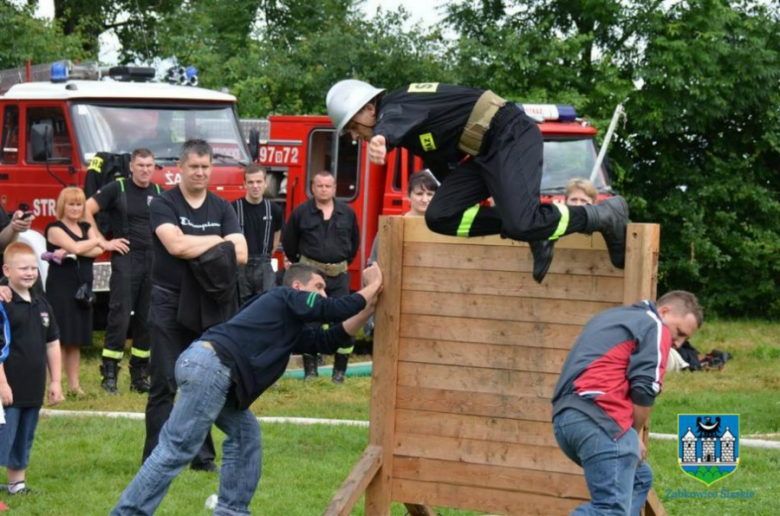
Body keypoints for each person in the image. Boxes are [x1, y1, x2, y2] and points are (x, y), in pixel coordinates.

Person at [111, 262, 382, 515]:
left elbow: (326, 340)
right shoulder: (285, 297)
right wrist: (373, 284)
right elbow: (332, 309)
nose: (323, 295)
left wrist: (368, 309)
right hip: (212, 367)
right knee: (176, 450)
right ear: (298, 287)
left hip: (214, 371)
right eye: (319, 288)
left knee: (245, 435)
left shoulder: (287, 324)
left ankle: (232, 511)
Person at [326, 80, 629, 283]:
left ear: (368, 109)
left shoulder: (398, 104)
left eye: (353, 127)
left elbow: (389, 121)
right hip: (482, 156)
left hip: (510, 134)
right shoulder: (411, 132)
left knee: (523, 220)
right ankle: (532, 230)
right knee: (439, 215)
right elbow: (444, 167)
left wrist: (381, 137)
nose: (355, 136)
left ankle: (601, 215)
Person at [143, 139, 248, 473]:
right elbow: (174, 245)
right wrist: (219, 242)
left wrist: (200, 244)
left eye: (205, 166)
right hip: (167, 301)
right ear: (180, 168)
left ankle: (202, 459)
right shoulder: (164, 203)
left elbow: (242, 254)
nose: (200, 172)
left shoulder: (221, 207)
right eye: (194, 167)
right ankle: (155, 459)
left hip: (208, 303)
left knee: (203, 380)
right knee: (163, 382)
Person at [551, 290, 703, 515]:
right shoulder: (655, 326)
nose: (678, 344)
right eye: (679, 332)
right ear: (664, 311)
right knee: (610, 509)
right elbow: (644, 388)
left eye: (684, 340)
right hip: (599, 419)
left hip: (566, 421)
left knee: (640, 479)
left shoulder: (611, 317)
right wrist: (631, 434)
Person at [85, 148, 163, 395]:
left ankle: (139, 375)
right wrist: (103, 242)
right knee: (119, 317)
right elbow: (86, 209)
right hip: (126, 260)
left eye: (149, 165)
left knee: (146, 318)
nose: (145, 170)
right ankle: (109, 374)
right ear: (131, 166)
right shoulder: (116, 188)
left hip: (152, 262)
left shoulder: (160, 193)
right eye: (140, 165)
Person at [282, 170, 360, 383]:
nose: (324, 189)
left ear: (334, 188)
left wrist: (338, 265)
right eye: (319, 186)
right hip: (311, 278)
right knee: (310, 322)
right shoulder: (301, 213)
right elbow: (289, 243)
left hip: (339, 276)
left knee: (344, 322)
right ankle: (311, 373)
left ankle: (339, 373)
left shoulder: (347, 213)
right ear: (312, 188)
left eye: (328, 186)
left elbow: (354, 243)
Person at [0, 242, 63, 495]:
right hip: (8, 389)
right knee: (4, 436)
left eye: (33, 268)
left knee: (23, 436)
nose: (29, 272)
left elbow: (53, 343)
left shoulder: (42, 305)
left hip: (33, 388)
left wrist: (56, 381)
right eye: (22, 268)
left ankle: (17, 484)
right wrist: (2, 383)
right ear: (6, 270)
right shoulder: (3, 304)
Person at [45, 187, 103, 396]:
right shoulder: (54, 228)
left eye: (79, 204)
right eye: (71, 204)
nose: (76, 208)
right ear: (62, 205)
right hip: (61, 288)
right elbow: (85, 248)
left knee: (75, 339)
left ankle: (74, 386)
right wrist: (92, 241)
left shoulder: (86, 226)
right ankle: (55, 385)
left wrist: (77, 247)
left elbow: (98, 250)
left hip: (83, 290)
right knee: (58, 338)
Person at [231, 164, 284, 305]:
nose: (255, 186)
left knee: (266, 306)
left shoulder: (275, 210)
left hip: (265, 265)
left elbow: (275, 241)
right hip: (240, 266)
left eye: (259, 181)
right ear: (244, 184)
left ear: (265, 183)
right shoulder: (233, 208)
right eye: (251, 182)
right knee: (240, 309)